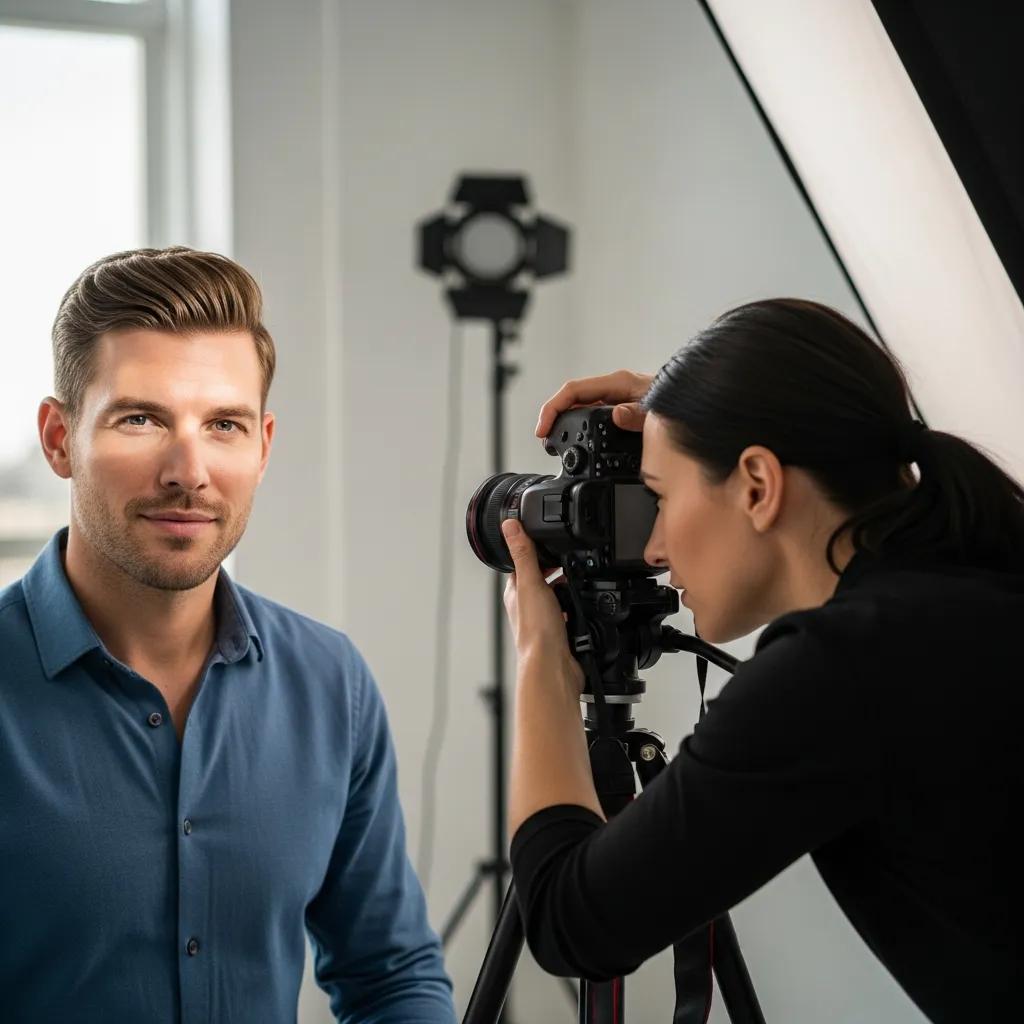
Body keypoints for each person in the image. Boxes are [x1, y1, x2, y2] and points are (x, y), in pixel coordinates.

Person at [500, 299, 1018, 1023]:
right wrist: (699, 421)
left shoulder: (839, 671)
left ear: (757, 485)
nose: (651, 550)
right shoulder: (967, 591)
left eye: (659, 497)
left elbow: (570, 922)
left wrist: (539, 662)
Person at [0, 247, 454, 1023]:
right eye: (140, 419)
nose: (189, 469)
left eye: (224, 425)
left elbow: (389, 975)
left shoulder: (329, 682)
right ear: (58, 438)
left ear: (264, 445)